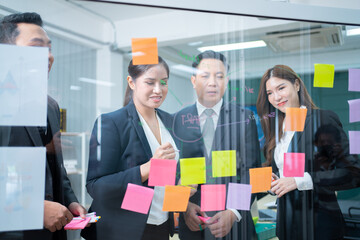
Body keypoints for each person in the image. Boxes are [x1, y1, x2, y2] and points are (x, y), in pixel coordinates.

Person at [0, 12, 87, 240]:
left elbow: (56, 166)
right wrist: (34, 209)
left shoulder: (50, 106)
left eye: (49, 48)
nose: (49, 57)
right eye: (37, 47)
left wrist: (70, 200)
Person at [256, 65, 360, 240]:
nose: (276, 97)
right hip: (287, 226)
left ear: (296, 85)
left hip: (320, 227)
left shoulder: (322, 119)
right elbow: (282, 176)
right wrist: (273, 184)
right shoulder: (276, 131)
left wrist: (301, 180)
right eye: (270, 93)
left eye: (281, 88)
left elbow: (353, 173)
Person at [81, 57, 179, 240]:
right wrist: (147, 169)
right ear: (131, 82)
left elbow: (170, 176)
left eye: (164, 82)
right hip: (122, 229)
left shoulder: (171, 122)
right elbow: (96, 187)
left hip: (162, 226)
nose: (158, 90)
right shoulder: (111, 123)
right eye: (150, 82)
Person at [173, 50, 261, 240]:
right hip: (193, 228)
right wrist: (184, 207)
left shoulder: (243, 118)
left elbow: (251, 171)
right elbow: (172, 173)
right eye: (205, 76)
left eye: (219, 76)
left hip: (236, 229)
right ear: (194, 80)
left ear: (226, 81)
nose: (212, 82)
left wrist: (233, 212)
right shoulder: (177, 121)